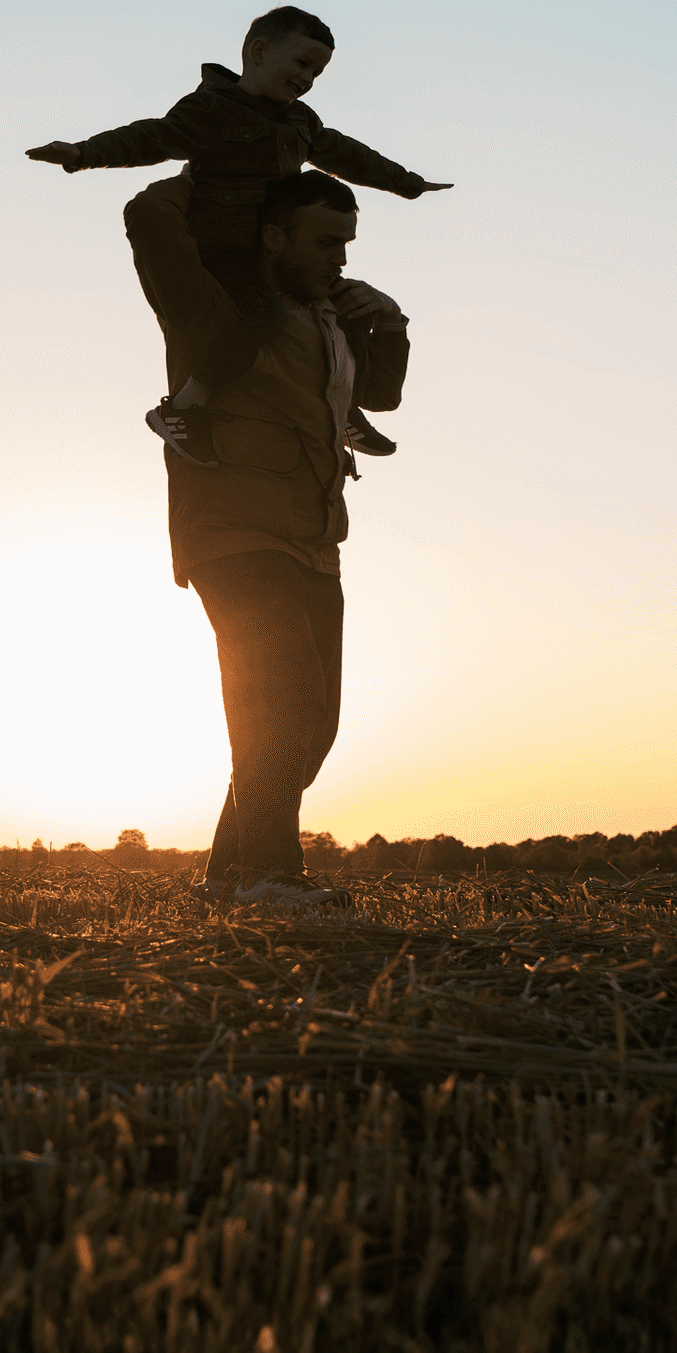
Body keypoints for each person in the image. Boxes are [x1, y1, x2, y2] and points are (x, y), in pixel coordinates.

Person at [121, 168, 411, 905]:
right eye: (324, 242)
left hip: (315, 537)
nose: (339, 259)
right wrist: (227, 159)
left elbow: (378, 397)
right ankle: (272, 876)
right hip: (233, 530)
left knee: (311, 726)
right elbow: (148, 213)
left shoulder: (333, 315)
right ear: (274, 235)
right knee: (278, 702)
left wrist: (389, 322)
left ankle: (228, 878)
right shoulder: (216, 307)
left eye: (347, 245)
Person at [24, 6, 445, 463]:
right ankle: (185, 407)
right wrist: (84, 153)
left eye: (318, 73)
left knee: (337, 304)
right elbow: (152, 137)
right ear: (259, 52)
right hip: (223, 250)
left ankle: (342, 408)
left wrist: (407, 182)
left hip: (276, 248)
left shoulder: (301, 123)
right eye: (302, 64)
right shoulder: (211, 110)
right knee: (262, 314)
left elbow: (349, 156)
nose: (308, 79)